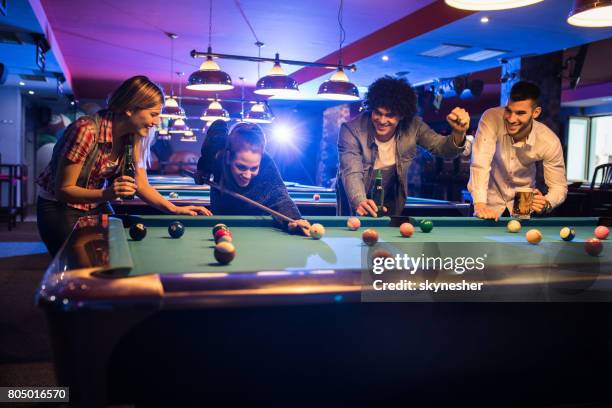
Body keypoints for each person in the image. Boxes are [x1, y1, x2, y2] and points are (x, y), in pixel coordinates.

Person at [37, 75, 211, 256]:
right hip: (59, 208)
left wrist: (175, 209)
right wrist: (107, 193)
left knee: (111, 257)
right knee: (79, 269)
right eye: (153, 114)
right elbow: (63, 190)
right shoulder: (86, 130)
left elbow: (141, 185)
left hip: (95, 203)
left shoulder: (132, 136)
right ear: (129, 109)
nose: (157, 122)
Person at [337, 75, 471, 217]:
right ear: (371, 108)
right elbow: (352, 171)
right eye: (378, 113)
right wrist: (360, 200)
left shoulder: (414, 126)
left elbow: (442, 149)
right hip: (353, 200)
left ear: (402, 115)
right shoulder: (351, 130)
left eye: (390, 115)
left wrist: (458, 133)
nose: (382, 120)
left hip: (391, 197)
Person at [468, 81, 567, 220]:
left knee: (519, 240)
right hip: (487, 200)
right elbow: (480, 163)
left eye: (520, 113)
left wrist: (547, 202)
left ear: (536, 112)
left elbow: (559, 187)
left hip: (523, 201)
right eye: (509, 110)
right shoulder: (491, 118)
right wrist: (479, 204)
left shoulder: (549, 141)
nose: (512, 119)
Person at [198, 120, 311, 235]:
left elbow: (280, 196)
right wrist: (201, 172)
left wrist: (295, 219)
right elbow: (207, 155)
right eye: (241, 167)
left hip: (257, 230)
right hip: (220, 226)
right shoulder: (218, 154)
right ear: (228, 157)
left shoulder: (266, 163)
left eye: (253, 168)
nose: (247, 175)